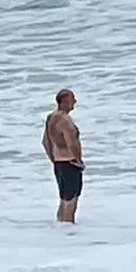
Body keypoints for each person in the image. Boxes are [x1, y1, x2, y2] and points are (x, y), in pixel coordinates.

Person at [42, 89, 84, 224]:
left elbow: (45, 142)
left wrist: (53, 159)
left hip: (59, 162)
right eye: (73, 99)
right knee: (71, 199)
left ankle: (61, 227)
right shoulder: (65, 120)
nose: (75, 102)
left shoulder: (51, 117)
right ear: (65, 102)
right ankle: (69, 226)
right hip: (69, 161)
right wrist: (77, 160)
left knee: (63, 198)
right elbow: (71, 142)